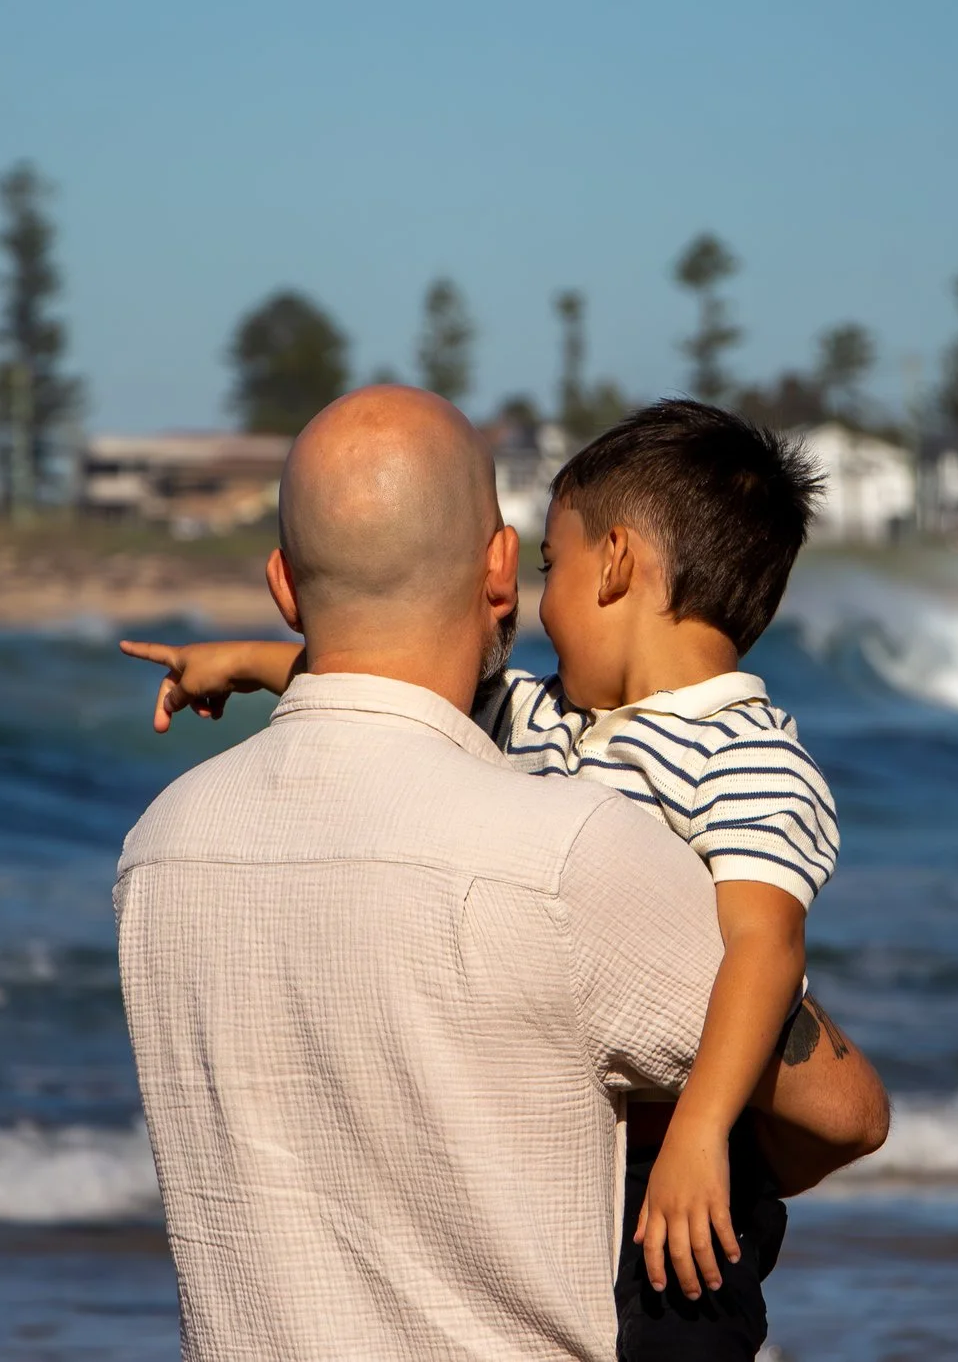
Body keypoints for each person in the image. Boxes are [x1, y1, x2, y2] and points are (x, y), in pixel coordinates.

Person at [121, 396, 874, 1360]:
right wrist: (244, 664)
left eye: (556, 565)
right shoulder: (549, 718)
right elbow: (372, 666)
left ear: (616, 563)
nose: (537, 603)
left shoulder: (750, 758)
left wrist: (701, 1133)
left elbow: (765, 947)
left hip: (692, 1139)